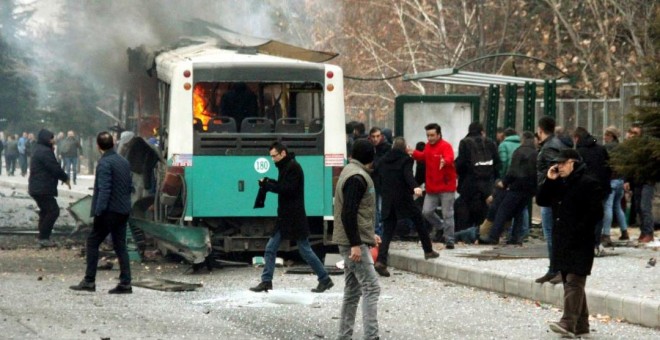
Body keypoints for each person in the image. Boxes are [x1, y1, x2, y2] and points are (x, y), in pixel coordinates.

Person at [537, 149, 604, 338]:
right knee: (570, 280)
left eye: (562, 163)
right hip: (562, 240)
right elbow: (542, 200)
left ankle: (567, 322)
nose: (558, 166)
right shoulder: (560, 182)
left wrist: (579, 230)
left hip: (580, 240)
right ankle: (581, 325)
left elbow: (596, 213)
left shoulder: (588, 183)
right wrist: (549, 180)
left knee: (574, 280)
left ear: (573, 162)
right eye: (557, 163)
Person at [250, 142, 334, 293]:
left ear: (282, 153)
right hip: (287, 216)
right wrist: (269, 182)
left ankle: (325, 278)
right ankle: (266, 281)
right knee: (272, 248)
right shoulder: (287, 166)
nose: (272, 160)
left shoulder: (293, 167)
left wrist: (269, 186)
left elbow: (288, 189)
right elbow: (284, 185)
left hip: (293, 217)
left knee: (304, 250)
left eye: (274, 156)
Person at [70, 131, 134, 294]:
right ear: (113, 143)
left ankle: (89, 281)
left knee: (92, 242)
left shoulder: (105, 163)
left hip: (109, 211)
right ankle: (126, 283)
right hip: (123, 209)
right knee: (121, 246)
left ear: (98, 147)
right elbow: (129, 187)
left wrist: (98, 212)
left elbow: (105, 189)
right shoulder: (123, 162)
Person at [332, 139, 381, 340]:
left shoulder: (349, 171)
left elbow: (357, 213)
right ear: (370, 157)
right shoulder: (358, 178)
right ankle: (372, 336)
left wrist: (369, 235)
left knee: (352, 291)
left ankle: (344, 336)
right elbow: (349, 213)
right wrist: (355, 244)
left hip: (353, 239)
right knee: (372, 287)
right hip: (353, 243)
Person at [373, 137, 439, 277]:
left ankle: (381, 261)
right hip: (403, 198)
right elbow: (407, 175)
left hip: (387, 199)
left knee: (388, 231)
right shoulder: (406, 160)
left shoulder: (383, 160)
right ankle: (428, 250)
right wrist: (415, 187)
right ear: (404, 148)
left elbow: (377, 176)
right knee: (419, 221)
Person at [479, 131, 537, 245]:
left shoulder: (519, 151)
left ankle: (493, 236)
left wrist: (505, 183)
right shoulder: (535, 153)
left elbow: (513, 171)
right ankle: (516, 237)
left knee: (503, 210)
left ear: (523, 140)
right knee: (519, 212)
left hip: (516, 186)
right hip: (529, 189)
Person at [535, 116, 571, 284]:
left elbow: (556, 170)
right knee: (552, 234)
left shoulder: (549, 147)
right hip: (553, 195)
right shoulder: (556, 144)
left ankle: (556, 269)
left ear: (540, 130)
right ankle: (554, 269)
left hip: (551, 196)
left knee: (551, 234)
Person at [411, 123, 457, 248]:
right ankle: (441, 226)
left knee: (448, 213)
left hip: (446, 186)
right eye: (428, 135)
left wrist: (445, 161)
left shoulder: (445, 146)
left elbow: (449, 157)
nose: (430, 138)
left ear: (438, 135)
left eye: (432, 135)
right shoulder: (427, 147)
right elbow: (423, 156)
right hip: (432, 187)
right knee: (426, 212)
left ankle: (450, 240)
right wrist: (413, 153)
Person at [455, 122, 500, 233]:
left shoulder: (465, 142)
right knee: (484, 210)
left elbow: (460, 164)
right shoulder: (490, 142)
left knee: (464, 208)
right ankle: (482, 234)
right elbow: (497, 163)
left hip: (469, 183)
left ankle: (464, 234)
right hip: (487, 184)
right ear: (482, 131)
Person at [28, 129, 71, 248]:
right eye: (51, 138)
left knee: (45, 211)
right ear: (46, 139)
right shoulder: (45, 151)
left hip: (38, 187)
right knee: (53, 211)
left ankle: (42, 237)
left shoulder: (39, 149)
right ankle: (43, 238)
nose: (53, 140)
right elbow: (54, 167)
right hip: (42, 187)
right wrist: (65, 178)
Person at [572, 127, 612, 253]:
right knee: (598, 215)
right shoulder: (601, 149)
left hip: (584, 189)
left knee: (583, 216)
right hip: (601, 188)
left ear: (577, 138)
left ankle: (585, 244)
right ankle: (596, 243)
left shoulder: (578, 152)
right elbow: (608, 168)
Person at [623, 123, 656, 244]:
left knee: (645, 206)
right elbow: (628, 165)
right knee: (638, 207)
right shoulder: (630, 149)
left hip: (647, 180)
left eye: (635, 133)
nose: (632, 136)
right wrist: (626, 180)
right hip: (636, 181)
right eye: (631, 133)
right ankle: (643, 231)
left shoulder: (646, 149)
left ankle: (649, 232)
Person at [601, 126, 629, 243]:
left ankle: (606, 234)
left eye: (606, 135)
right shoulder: (623, 148)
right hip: (620, 181)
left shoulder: (606, 148)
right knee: (617, 206)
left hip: (611, 180)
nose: (604, 137)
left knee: (608, 207)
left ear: (611, 136)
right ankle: (624, 231)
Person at [369, 126, 391, 237]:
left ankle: (381, 231)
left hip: (383, 181)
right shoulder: (370, 147)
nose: (375, 139)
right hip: (374, 181)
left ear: (381, 136)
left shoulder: (386, 148)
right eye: (373, 137)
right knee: (375, 207)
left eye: (377, 136)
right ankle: (378, 231)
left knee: (381, 207)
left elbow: (379, 164)